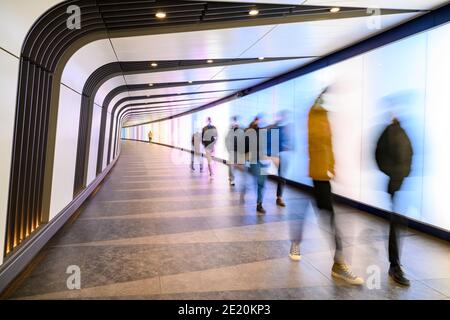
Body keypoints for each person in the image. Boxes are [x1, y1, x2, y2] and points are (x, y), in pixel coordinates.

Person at [289, 89, 364, 285]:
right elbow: (318, 143)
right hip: (310, 174)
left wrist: (333, 168)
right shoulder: (315, 117)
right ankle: (299, 246)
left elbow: (328, 146)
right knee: (309, 216)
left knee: (327, 217)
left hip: (320, 175)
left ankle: (337, 263)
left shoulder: (324, 119)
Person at [375, 117, 413, 286]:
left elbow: (409, 153)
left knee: (400, 222)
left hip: (404, 182)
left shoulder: (402, 130)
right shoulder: (389, 132)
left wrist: (405, 174)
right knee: (397, 223)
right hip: (396, 183)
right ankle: (394, 265)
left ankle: (395, 263)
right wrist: (392, 174)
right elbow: (378, 154)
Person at [266, 110, 294, 207]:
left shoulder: (289, 127)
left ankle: (279, 197)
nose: (286, 117)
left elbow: (292, 142)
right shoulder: (276, 127)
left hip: (285, 154)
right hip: (278, 154)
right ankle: (279, 197)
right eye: (285, 115)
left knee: (282, 176)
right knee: (281, 176)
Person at [246, 115, 269, 214]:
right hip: (254, 160)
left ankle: (259, 204)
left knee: (262, 182)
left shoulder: (265, 132)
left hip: (264, 161)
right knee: (259, 180)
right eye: (258, 120)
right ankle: (258, 202)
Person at [225, 116, 244, 186]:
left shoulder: (242, 130)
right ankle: (232, 179)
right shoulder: (230, 131)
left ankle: (241, 179)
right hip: (232, 150)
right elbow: (226, 140)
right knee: (231, 165)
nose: (236, 123)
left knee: (240, 166)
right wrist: (229, 149)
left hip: (239, 151)